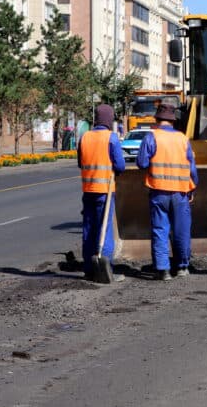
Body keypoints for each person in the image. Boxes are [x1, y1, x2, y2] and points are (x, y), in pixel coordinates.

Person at [137, 104, 198, 280]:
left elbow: (142, 163)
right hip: (180, 192)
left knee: (160, 230)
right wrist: (193, 187)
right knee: (181, 230)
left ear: (157, 119)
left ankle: (163, 270)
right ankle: (182, 267)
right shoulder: (183, 139)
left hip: (159, 191)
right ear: (173, 121)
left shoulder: (151, 137)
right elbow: (192, 168)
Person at [77, 104, 126, 279]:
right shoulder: (111, 138)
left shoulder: (84, 137)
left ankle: (89, 268)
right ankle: (106, 267)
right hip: (105, 190)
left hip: (88, 189)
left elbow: (81, 163)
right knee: (104, 229)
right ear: (109, 120)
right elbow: (120, 165)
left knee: (89, 228)